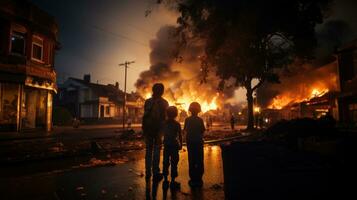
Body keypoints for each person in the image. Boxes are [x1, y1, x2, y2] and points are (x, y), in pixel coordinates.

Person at [142, 83, 169, 182]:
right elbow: (165, 118)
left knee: (148, 151)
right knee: (157, 150)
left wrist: (144, 129)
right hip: (158, 130)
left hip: (148, 130)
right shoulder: (164, 103)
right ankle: (156, 172)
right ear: (162, 91)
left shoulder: (148, 102)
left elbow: (145, 116)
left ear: (153, 90)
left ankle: (148, 172)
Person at [184, 102, 205, 187]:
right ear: (199, 111)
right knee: (199, 159)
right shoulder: (200, 120)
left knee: (191, 159)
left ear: (190, 110)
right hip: (199, 143)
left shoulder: (187, 120)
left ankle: (192, 178)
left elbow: (185, 130)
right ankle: (199, 178)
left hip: (190, 143)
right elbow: (202, 130)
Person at [162, 106, 182, 189]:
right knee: (174, 162)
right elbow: (180, 135)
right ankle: (173, 180)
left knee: (166, 162)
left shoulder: (164, 123)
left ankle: (165, 179)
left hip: (166, 145)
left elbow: (161, 134)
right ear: (176, 114)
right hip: (174, 145)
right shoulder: (177, 124)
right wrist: (181, 144)